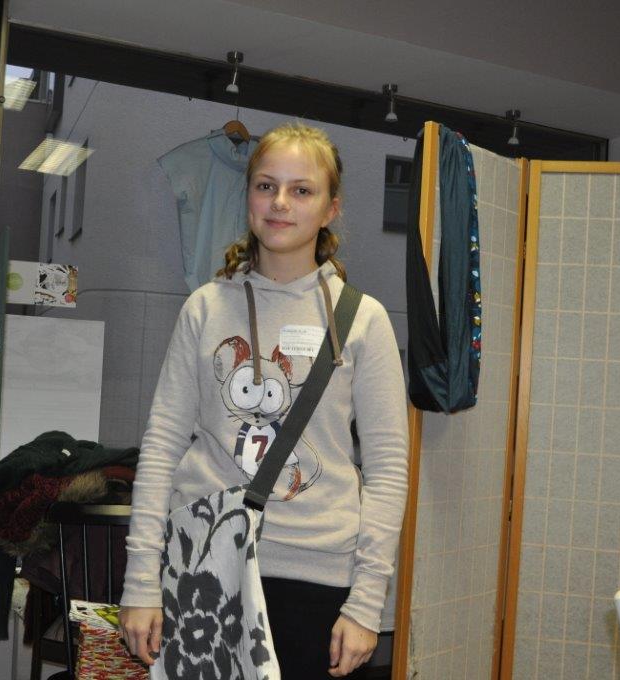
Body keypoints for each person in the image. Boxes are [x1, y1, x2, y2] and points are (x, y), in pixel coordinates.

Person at [119, 122, 408, 679]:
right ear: (248, 195)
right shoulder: (205, 307)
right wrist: (140, 581)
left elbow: (388, 469)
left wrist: (367, 601)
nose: (280, 203)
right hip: (204, 565)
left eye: (302, 190)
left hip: (318, 582)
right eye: (266, 186)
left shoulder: (363, 319)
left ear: (330, 209)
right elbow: (161, 447)